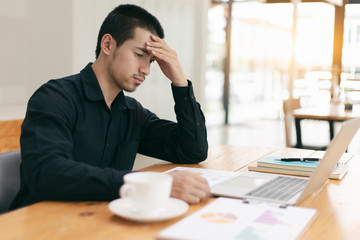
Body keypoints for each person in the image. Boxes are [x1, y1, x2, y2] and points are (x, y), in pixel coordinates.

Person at [10, 4, 210, 210]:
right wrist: (144, 185)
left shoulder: (132, 113)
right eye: (139, 55)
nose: (146, 70)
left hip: (100, 221)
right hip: (40, 223)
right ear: (107, 45)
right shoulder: (54, 97)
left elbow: (193, 151)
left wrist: (180, 82)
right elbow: (47, 173)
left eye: (151, 61)